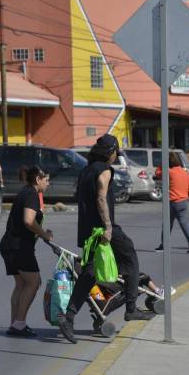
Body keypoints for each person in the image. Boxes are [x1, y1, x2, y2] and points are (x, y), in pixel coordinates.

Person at [57, 134, 151, 344]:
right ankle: (131, 307)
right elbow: (101, 197)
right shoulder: (104, 171)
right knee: (130, 257)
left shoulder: (86, 170)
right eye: (116, 151)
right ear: (110, 152)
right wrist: (108, 226)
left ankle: (68, 317)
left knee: (89, 273)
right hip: (103, 228)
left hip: (87, 230)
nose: (117, 155)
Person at [1, 166, 53, 337]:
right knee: (34, 282)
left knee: (21, 284)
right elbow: (29, 221)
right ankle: (19, 324)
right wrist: (44, 233)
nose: (48, 184)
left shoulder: (26, 192)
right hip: (19, 247)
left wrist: (42, 234)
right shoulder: (31, 194)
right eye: (46, 180)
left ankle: (15, 323)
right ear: (38, 179)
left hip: (10, 245)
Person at [155, 152, 189, 254]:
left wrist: (161, 164)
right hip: (183, 201)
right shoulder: (184, 172)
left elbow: (157, 173)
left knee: (167, 224)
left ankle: (163, 246)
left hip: (173, 201)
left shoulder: (169, 172)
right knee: (184, 224)